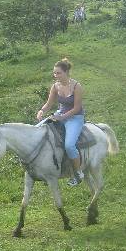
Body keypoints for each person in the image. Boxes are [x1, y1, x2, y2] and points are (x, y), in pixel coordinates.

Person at [36, 58, 85, 186]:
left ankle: (78, 172)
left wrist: (63, 118)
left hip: (75, 118)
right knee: (39, 131)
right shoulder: (55, 86)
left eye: (58, 73)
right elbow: (49, 103)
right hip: (59, 115)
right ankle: (48, 169)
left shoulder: (76, 86)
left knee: (69, 145)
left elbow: (77, 108)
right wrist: (42, 111)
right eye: (54, 73)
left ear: (66, 72)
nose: (56, 75)